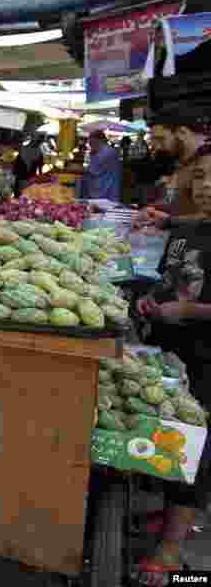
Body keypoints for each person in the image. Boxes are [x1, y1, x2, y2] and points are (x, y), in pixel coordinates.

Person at [133, 142, 211, 586]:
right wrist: (153, 301)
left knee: (195, 449)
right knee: (167, 435)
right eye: (200, 177)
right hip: (169, 348)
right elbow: (174, 277)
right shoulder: (192, 226)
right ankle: (167, 514)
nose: (207, 187)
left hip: (205, 359)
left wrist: (189, 313)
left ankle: (172, 547)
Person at [134, 110, 211, 231]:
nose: (158, 147)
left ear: (182, 132)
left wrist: (169, 222)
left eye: (161, 139)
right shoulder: (181, 161)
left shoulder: (206, 160)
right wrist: (152, 208)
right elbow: (176, 200)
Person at [79, 131, 122, 202]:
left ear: (99, 140)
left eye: (91, 143)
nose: (90, 145)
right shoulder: (106, 151)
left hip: (105, 189)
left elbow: (93, 170)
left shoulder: (106, 152)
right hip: (104, 188)